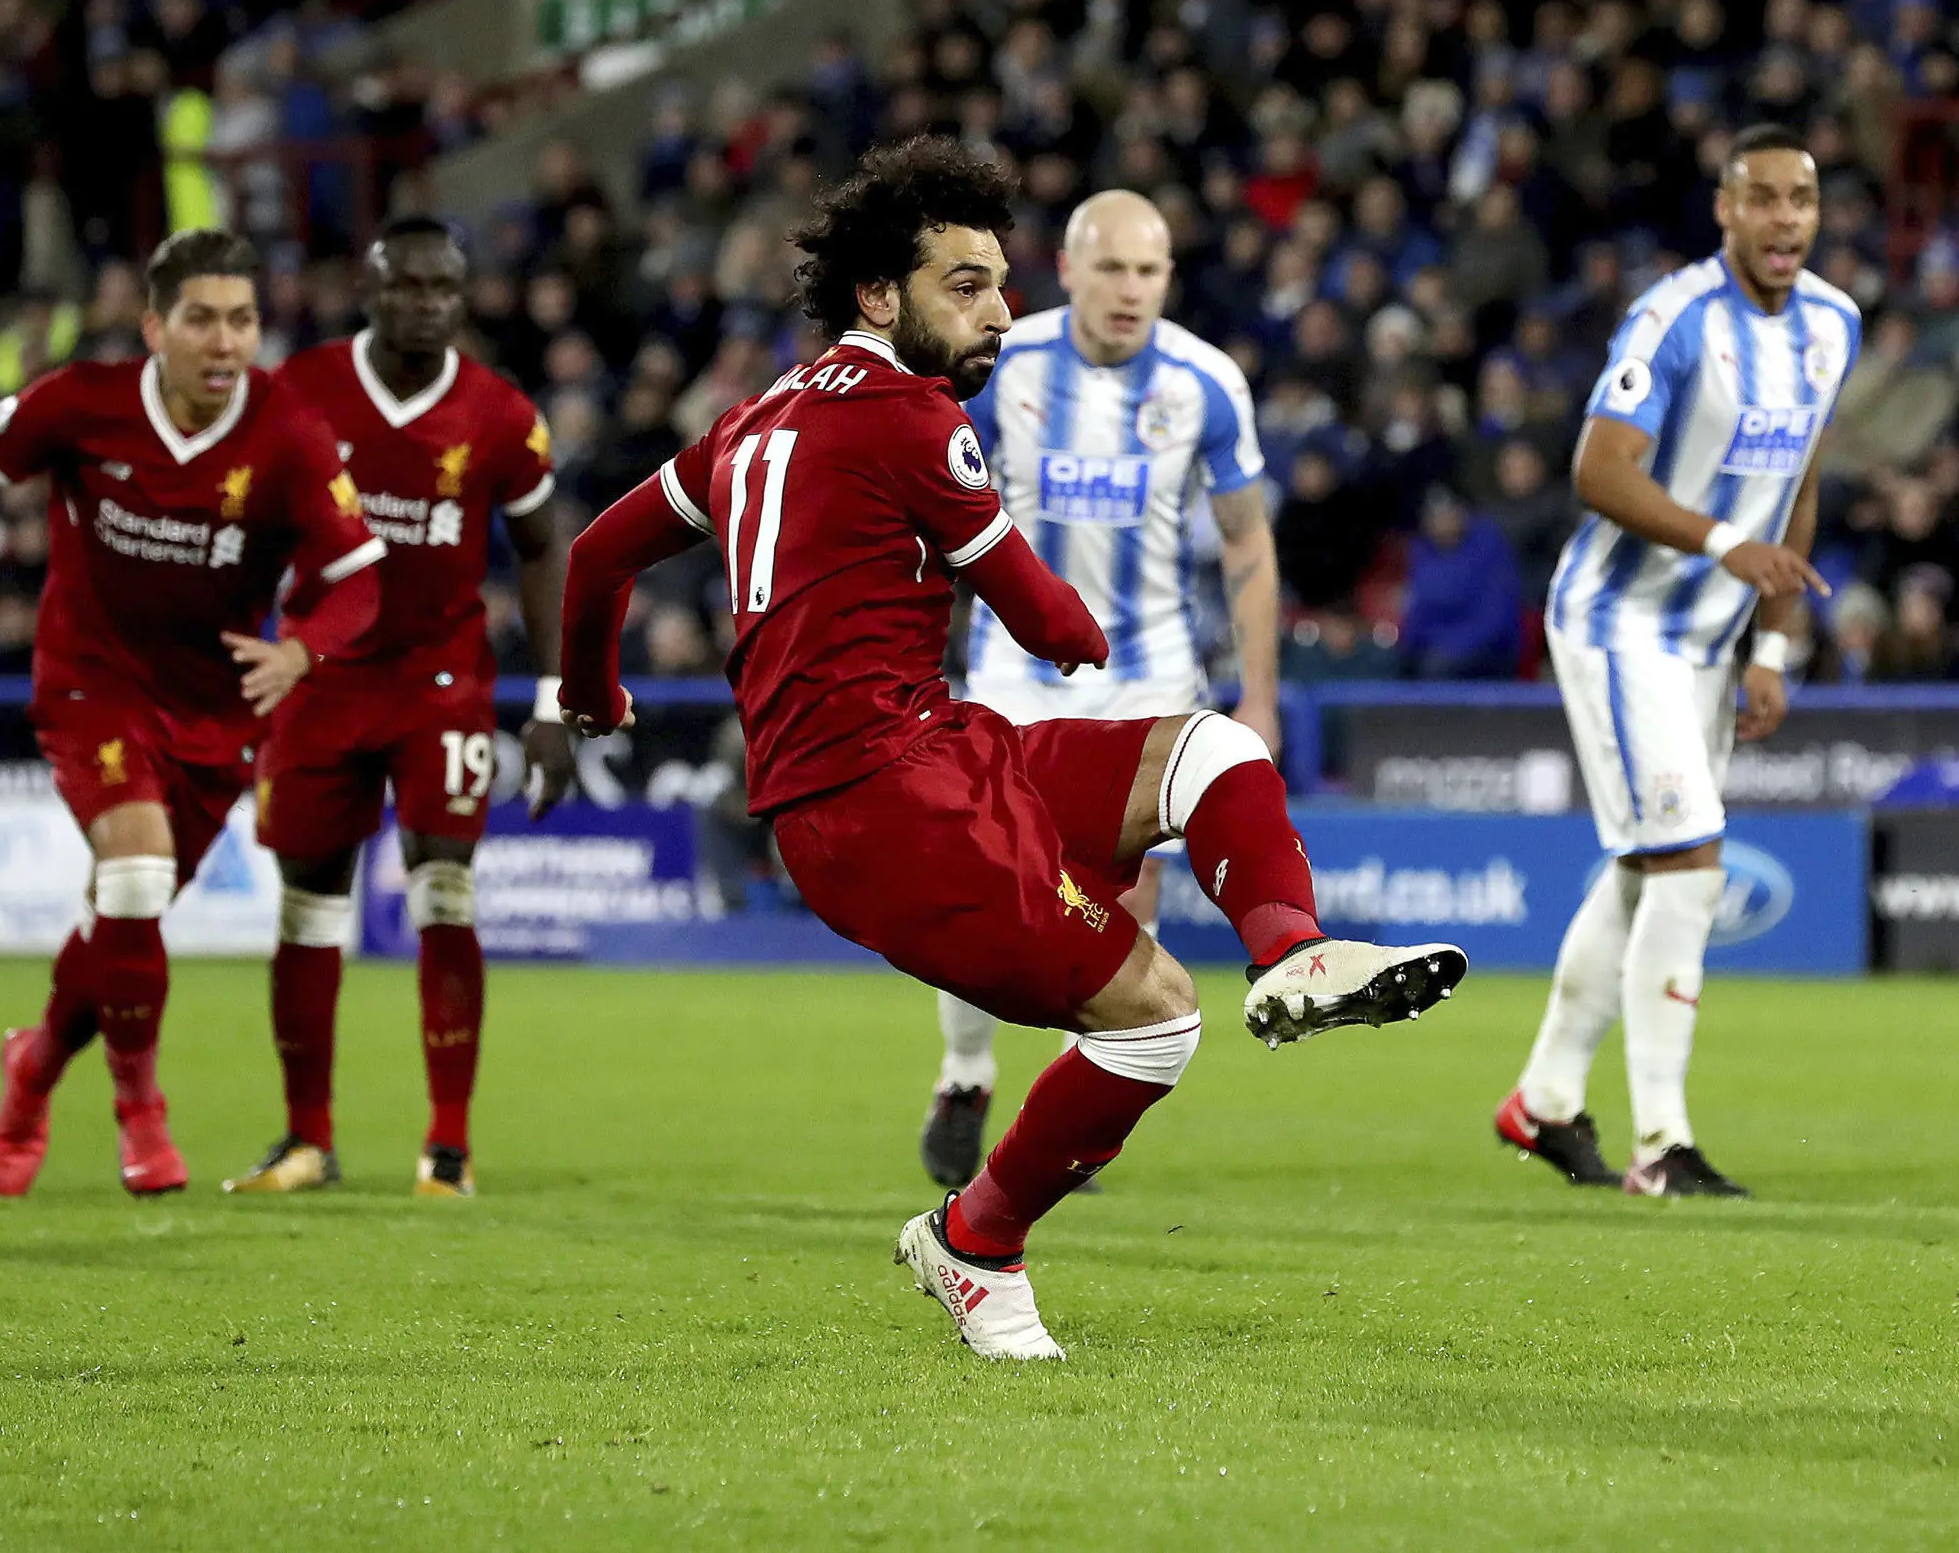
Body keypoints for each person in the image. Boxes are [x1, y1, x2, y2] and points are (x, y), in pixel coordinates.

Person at [555, 138, 1462, 1361]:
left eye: (1000, 284)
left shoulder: (748, 421)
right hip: (874, 806)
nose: (999, 313)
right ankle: (975, 1241)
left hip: (942, 747)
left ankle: (1293, 956)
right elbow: (1055, 624)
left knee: (1215, 752)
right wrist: (1048, 584)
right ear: (880, 294)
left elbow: (597, 555)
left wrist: (592, 685)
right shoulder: (915, 423)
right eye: (966, 287)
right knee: (1154, 1020)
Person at [0, 228, 384, 1198]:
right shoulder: (83, 402)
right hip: (91, 680)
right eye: (203, 319)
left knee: (120, 921)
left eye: (244, 320)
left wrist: (301, 649)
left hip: (214, 711)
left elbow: (358, 580)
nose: (226, 343)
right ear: (154, 327)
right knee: (132, 876)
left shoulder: (288, 432)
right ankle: (141, 1110)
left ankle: (35, 1062)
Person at [1496, 123, 1857, 1198]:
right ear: (1725, 209)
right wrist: (1720, 544)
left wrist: (1775, 640)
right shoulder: (1676, 318)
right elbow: (1600, 469)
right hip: (1618, 622)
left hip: (1710, 639)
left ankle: (1545, 1099)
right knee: (1691, 868)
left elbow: (1802, 481)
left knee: (1646, 866)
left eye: (1803, 198)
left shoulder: (1834, 323)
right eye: (1765, 198)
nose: (1786, 217)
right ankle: (1662, 1145)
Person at [922, 189, 1280, 1194]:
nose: (1131, 290)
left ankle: (1071, 1095)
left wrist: (1260, 694)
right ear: (1070, 271)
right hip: (1014, 673)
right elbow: (922, 491)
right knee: (990, 890)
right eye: (1112, 268)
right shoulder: (1002, 362)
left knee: (1131, 894)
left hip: (1151, 672)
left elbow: (1249, 542)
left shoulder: (1208, 382)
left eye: (1150, 271)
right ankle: (964, 1072)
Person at [218, 218, 574, 1197]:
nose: (428, 304)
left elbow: (544, 546)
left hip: (440, 680)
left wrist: (553, 696)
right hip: (321, 677)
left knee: (444, 889)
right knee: (308, 904)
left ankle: (447, 1147)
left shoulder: (499, 413)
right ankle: (306, 1138)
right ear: (370, 290)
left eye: (444, 289)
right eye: (409, 287)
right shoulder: (301, 390)